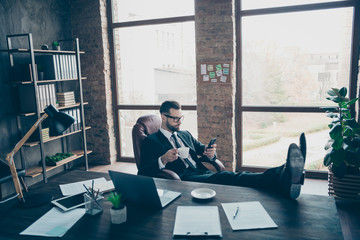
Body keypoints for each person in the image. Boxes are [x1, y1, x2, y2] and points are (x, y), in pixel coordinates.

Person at [139, 100, 306, 199]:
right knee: (232, 177)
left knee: (237, 176)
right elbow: (143, 171)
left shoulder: (185, 134)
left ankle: (283, 175)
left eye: (180, 118)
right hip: (184, 179)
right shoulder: (151, 141)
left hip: (201, 172)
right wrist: (163, 160)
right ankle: (284, 175)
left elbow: (203, 149)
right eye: (175, 119)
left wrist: (210, 153)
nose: (179, 122)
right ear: (163, 116)